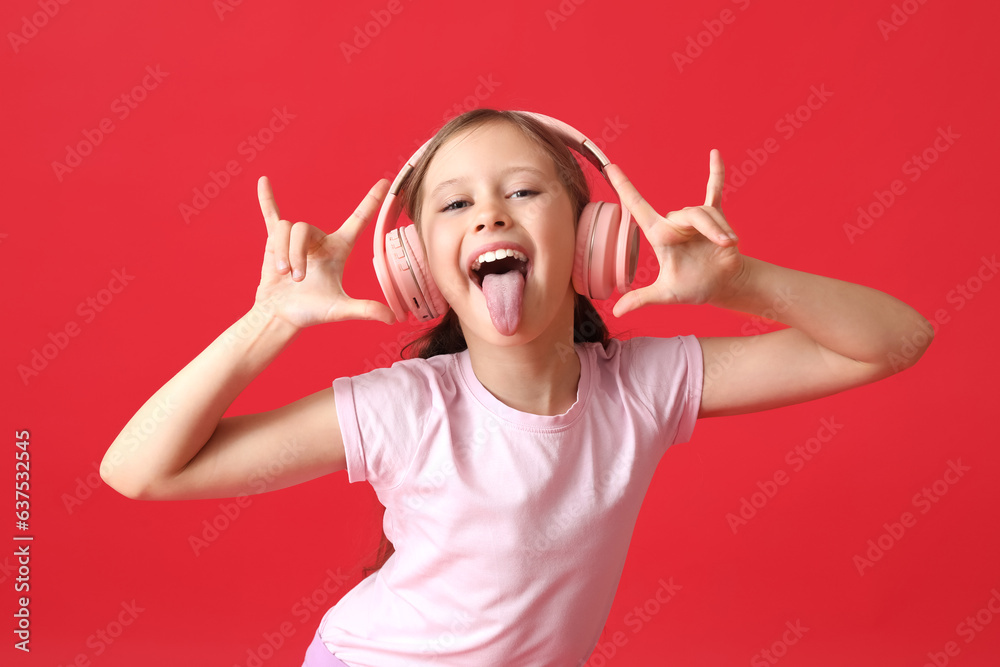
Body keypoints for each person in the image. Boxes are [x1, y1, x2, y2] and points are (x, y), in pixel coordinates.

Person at [100, 109, 933, 667]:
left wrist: (738, 281)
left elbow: (893, 342)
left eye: (525, 191)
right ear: (420, 270)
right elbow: (138, 469)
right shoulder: (409, 407)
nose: (491, 215)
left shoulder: (641, 389)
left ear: (591, 242)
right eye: (455, 204)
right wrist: (272, 320)